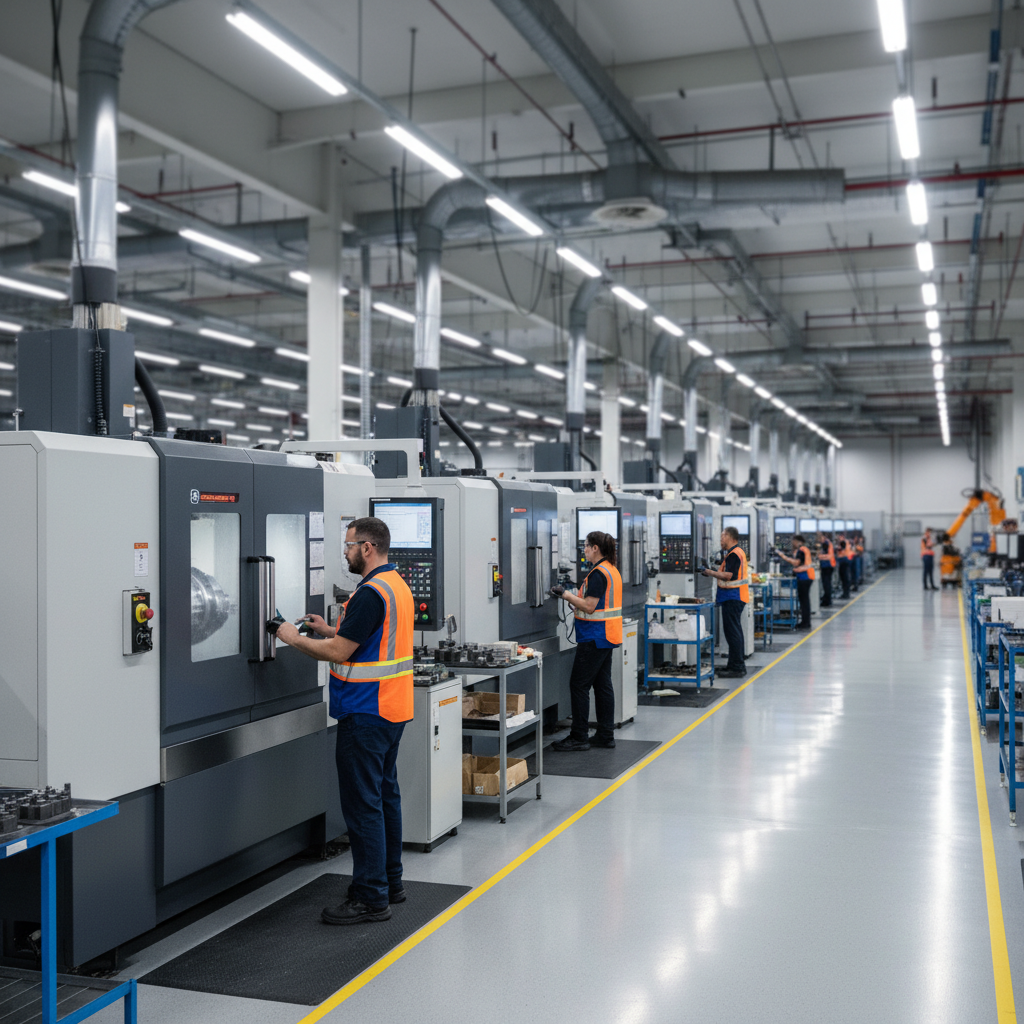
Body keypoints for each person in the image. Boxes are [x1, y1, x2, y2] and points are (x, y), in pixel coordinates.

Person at [276, 517, 413, 926]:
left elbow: (338, 653)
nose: (345, 552)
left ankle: (371, 898)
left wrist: (291, 636)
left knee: (363, 805)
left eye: (349, 545)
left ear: (367, 548)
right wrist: (329, 628)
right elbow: (364, 639)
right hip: (392, 710)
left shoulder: (371, 592)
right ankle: (391, 881)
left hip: (365, 711)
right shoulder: (395, 586)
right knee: (385, 796)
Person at [550, 532, 622, 751]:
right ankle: (605, 735)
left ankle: (579, 736)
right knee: (602, 685)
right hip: (606, 635)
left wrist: (564, 594)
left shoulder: (599, 573)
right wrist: (577, 603)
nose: (585, 550)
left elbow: (590, 607)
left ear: (596, 549)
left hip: (594, 636)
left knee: (579, 685)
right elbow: (596, 605)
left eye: (587, 546)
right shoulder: (611, 570)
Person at [702, 526, 749, 678]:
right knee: (734, 632)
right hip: (734, 597)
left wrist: (708, 572)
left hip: (733, 597)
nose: (721, 539)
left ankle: (737, 667)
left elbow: (728, 576)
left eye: (723, 536)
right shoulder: (734, 553)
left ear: (730, 537)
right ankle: (734, 664)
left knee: (733, 633)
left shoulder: (734, 554)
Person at [776, 534, 815, 629]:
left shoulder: (801, 550)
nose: (792, 543)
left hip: (804, 577)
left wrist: (783, 556)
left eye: (793, 541)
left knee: (804, 601)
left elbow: (796, 562)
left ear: (798, 541)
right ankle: (806, 622)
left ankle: (805, 623)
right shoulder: (804, 549)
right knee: (804, 601)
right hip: (807, 576)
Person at [817, 531, 835, 608]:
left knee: (827, 584)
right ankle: (826, 598)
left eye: (819, 537)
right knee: (825, 584)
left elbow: (830, 556)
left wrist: (820, 557)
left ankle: (827, 600)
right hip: (825, 566)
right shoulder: (824, 544)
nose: (818, 539)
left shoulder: (827, 543)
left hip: (828, 566)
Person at [836, 535, 852, 599]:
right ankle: (846, 593)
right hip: (845, 561)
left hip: (843, 561)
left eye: (839, 537)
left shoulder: (843, 542)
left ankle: (846, 594)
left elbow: (842, 551)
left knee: (844, 578)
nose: (838, 539)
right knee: (845, 578)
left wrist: (837, 549)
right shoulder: (846, 542)